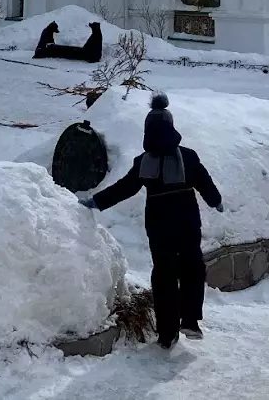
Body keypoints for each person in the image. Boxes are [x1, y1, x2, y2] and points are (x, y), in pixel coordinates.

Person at [81, 92, 223, 350]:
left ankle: (168, 332)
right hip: (186, 220)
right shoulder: (187, 156)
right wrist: (215, 201)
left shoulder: (144, 162)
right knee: (192, 268)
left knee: (165, 274)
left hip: (159, 223)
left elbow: (125, 187)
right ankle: (189, 320)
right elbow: (204, 182)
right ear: (172, 128)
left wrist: (97, 201)